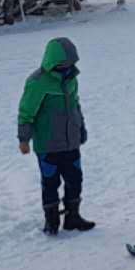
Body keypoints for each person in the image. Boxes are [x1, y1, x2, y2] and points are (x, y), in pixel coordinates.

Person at [17, 36, 94, 236]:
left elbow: (75, 105)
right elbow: (26, 112)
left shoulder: (71, 79)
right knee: (50, 182)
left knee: (75, 179)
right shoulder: (37, 82)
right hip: (48, 145)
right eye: (65, 63)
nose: (69, 66)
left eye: (71, 63)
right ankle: (51, 220)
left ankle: (72, 217)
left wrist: (81, 129)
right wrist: (24, 139)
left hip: (70, 143)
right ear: (54, 62)